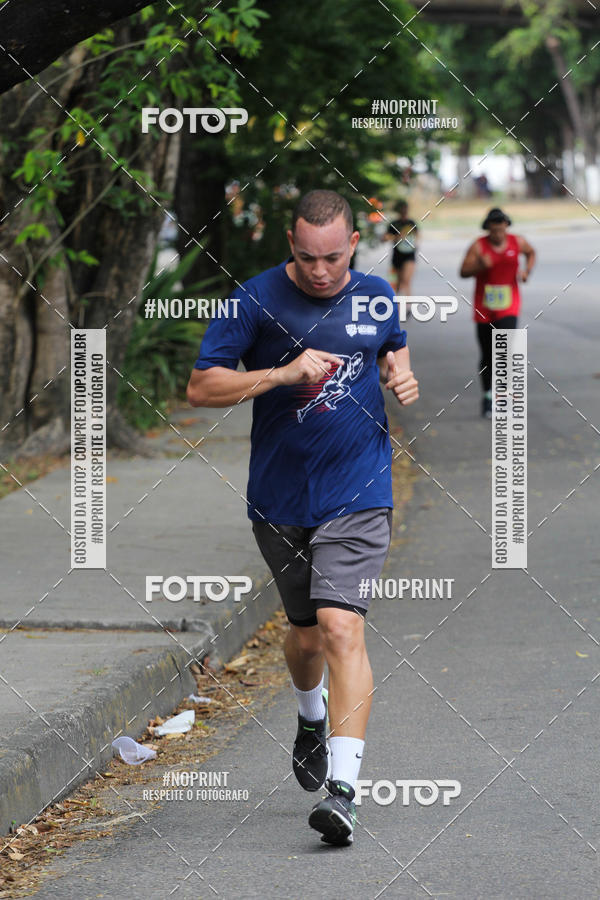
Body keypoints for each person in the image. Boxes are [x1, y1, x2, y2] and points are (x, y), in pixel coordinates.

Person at [186, 189, 419, 846]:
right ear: (292, 246)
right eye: (308, 258)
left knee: (343, 628)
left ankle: (343, 792)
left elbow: (391, 346)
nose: (321, 272)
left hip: (360, 489)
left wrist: (401, 375)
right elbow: (202, 386)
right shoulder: (255, 298)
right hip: (282, 499)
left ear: (353, 245)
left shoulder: (376, 293)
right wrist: (282, 373)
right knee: (307, 637)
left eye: (334, 258)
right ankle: (310, 714)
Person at [459, 207, 535, 418]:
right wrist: (479, 267)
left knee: (503, 349)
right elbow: (463, 271)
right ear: (488, 230)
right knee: (487, 355)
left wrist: (526, 271)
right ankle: (487, 396)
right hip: (484, 308)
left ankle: (502, 397)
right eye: (494, 231)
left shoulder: (517, 242)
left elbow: (531, 252)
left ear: (506, 227)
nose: (498, 235)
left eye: (502, 230)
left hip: (509, 305)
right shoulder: (478, 246)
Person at [382, 200, 418, 303]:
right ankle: (397, 305)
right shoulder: (394, 224)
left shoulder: (411, 223)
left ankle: (408, 307)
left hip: (409, 255)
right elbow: (385, 237)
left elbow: (417, 236)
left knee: (406, 280)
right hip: (397, 256)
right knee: (397, 283)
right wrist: (397, 237)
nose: (404, 211)